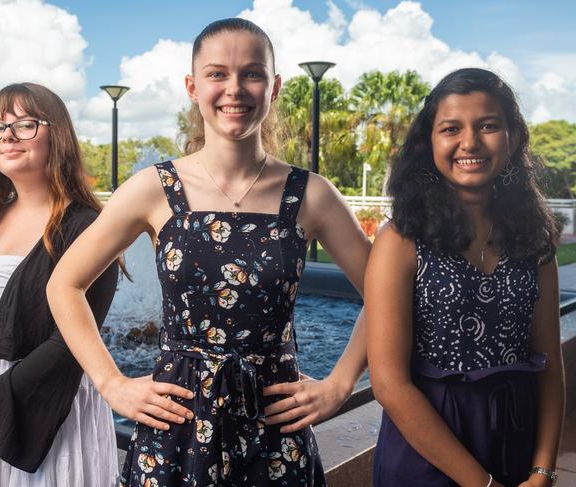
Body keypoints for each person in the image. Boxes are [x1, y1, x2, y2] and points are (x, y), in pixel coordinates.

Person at [47, 18, 370, 486]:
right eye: (217, 74)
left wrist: (340, 384)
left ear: (274, 87)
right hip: (176, 426)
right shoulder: (153, 189)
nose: (234, 89)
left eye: (252, 73)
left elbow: (386, 294)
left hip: (275, 427)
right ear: (192, 87)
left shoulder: (312, 195)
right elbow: (64, 283)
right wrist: (111, 383)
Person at [366, 68, 565, 487]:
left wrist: (543, 469)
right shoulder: (401, 240)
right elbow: (389, 385)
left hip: (517, 439)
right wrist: (482, 484)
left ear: (512, 137)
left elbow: (550, 364)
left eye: (489, 126)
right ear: (430, 142)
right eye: (451, 128)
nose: (470, 142)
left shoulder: (534, 237)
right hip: (424, 451)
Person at [0, 82, 120, 486]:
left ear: (59, 135)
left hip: (45, 406)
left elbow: (70, 344)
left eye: (25, 124)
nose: (7, 137)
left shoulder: (88, 227)